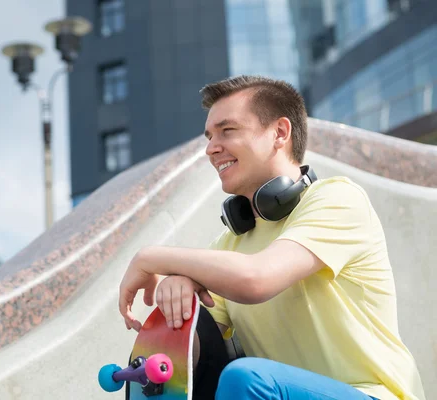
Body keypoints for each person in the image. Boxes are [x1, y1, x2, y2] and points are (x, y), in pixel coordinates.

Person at [118, 75, 426, 400]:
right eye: (209, 136)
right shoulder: (228, 247)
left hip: (375, 396)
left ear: (279, 133)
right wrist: (177, 304)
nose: (210, 148)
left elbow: (256, 279)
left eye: (228, 130)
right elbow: (197, 358)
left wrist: (150, 257)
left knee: (247, 379)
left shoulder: (337, 199)